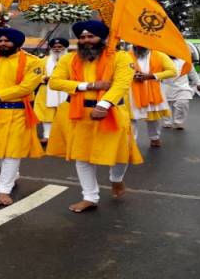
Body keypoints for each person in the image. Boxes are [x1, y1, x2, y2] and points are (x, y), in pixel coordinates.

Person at [46, 20, 143, 213]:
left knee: (119, 155)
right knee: (82, 157)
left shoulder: (121, 57)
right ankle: (90, 197)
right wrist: (88, 86)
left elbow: (122, 84)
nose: (86, 40)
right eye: (82, 37)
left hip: (111, 111)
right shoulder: (68, 59)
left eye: (91, 36)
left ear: (102, 38)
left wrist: (104, 105)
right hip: (77, 113)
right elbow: (55, 83)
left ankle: (116, 180)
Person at [0, 28, 45, 206]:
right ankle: (12, 176)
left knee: (12, 151)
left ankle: (4, 189)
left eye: (7, 41)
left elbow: (25, 88)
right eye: (0, 41)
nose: (2, 44)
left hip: (17, 112)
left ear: (17, 43)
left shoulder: (33, 62)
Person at [129, 45, 176, 147]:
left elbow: (172, 71)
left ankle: (154, 138)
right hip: (132, 92)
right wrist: (132, 75)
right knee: (131, 118)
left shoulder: (160, 55)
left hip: (152, 91)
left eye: (142, 43)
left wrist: (151, 76)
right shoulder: (126, 55)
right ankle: (131, 144)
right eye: (136, 42)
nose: (138, 45)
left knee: (153, 117)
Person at [34, 38, 69, 143]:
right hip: (47, 90)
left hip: (66, 90)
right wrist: (44, 78)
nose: (57, 49)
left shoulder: (72, 60)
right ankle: (47, 136)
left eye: (60, 47)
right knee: (47, 114)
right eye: (54, 47)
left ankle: (65, 138)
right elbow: (35, 75)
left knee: (66, 115)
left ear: (65, 48)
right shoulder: (43, 60)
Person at [161, 56, 200, 130]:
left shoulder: (185, 61)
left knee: (183, 103)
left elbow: (193, 73)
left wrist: (198, 84)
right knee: (166, 106)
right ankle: (167, 122)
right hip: (166, 86)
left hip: (182, 87)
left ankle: (178, 122)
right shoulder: (162, 60)